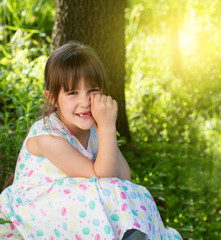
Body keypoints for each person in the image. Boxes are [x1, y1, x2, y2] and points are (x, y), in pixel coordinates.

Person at [0, 41, 182, 240]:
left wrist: (105, 129)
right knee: (103, 191)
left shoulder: (95, 129)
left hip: (73, 207)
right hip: (38, 210)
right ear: (52, 98)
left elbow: (123, 179)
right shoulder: (46, 137)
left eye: (92, 90)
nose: (85, 102)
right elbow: (102, 178)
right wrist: (107, 126)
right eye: (72, 93)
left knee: (136, 193)